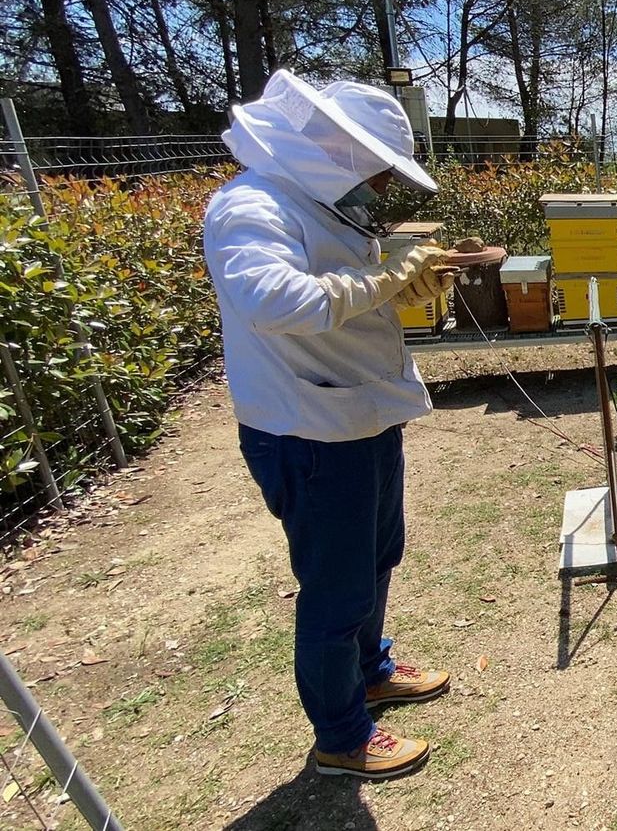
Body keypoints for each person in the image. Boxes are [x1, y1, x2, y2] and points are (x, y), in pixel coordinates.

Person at [203, 69, 456, 778]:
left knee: (377, 560)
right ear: (336, 154)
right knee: (335, 587)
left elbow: (342, 300)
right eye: (376, 173)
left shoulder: (316, 207)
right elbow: (278, 303)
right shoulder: (250, 208)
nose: (380, 191)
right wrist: (384, 277)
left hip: (359, 413)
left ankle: (370, 672)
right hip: (308, 432)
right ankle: (342, 736)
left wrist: (403, 287)